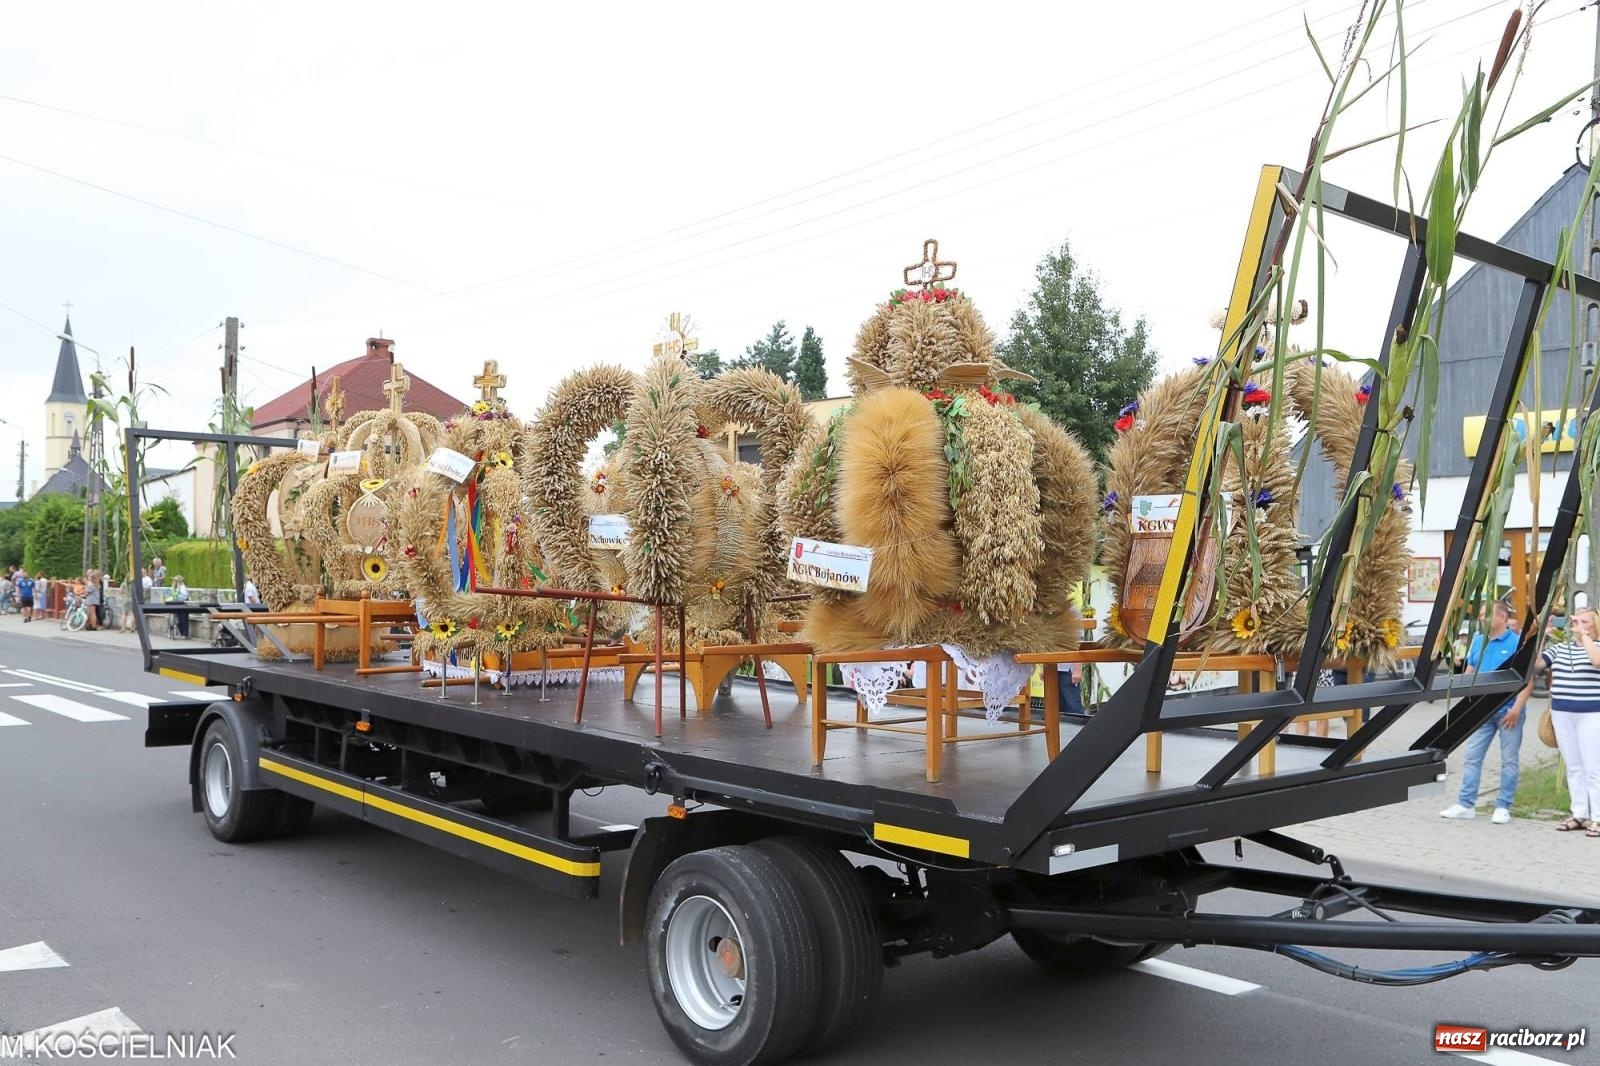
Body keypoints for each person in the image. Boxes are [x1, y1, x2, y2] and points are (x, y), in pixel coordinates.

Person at [1440, 600, 1523, 823]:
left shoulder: (1517, 643)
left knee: (1509, 760)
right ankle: (1466, 804)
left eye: (1486, 614)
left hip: (1508, 712)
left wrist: (1516, 708)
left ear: (1503, 618)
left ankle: (1504, 806)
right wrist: (1465, 697)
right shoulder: (1477, 641)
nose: (1481, 618)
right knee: (1472, 758)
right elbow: (1471, 668)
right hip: (1480, 712)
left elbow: (1528, 680)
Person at [1533, 606, 1600, 835]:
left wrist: (1585, 638)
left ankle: (1598, 817)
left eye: (1584, 622)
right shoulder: (1560, 648)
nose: (1577, 625)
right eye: (1575, 621)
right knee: (1574, 766)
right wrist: (1543, 633)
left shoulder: (1597, 647)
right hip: (1562, 713)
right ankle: (1580, 813)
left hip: (1592, 713)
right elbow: (1536, 666)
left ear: (1595, 627)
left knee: (1593, 767)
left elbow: (1596, 661)